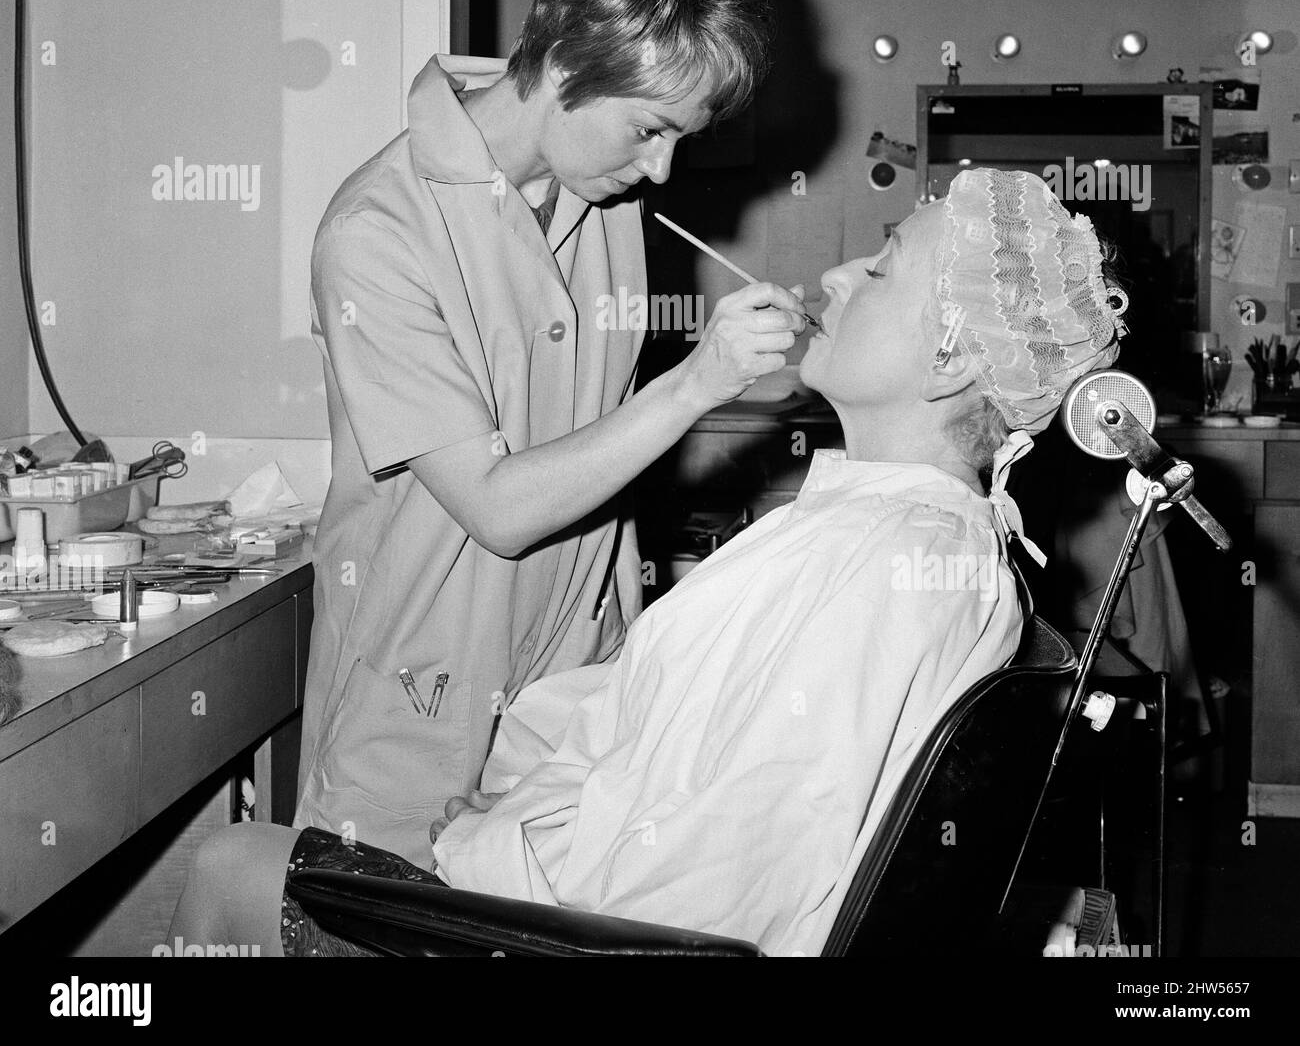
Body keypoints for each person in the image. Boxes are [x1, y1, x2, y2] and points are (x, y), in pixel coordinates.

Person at [169, 167, 1130, 956]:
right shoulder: (904, 538)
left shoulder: (885, 569)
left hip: (598, 940)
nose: (835, 277)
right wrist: (507, 798)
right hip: (584, 883)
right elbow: (652, 725)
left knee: (232, 867)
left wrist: (488, 848)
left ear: (954, 363)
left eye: (879, 271)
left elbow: (703, 890)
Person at [295, 0, 807, 865]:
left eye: (678, 139)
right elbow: (494, 504)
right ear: (566, 64)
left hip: (573, 688)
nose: (660, 172)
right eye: (650, 130)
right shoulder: (377, 235)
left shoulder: (596, 183)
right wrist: (697, 381)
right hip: (422, 699)